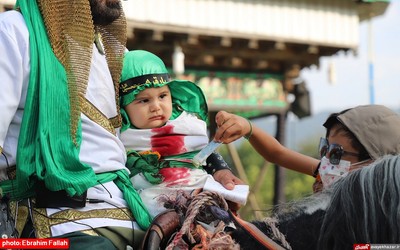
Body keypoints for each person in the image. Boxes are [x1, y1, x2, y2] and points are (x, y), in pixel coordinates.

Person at [0, 2, 241, 248]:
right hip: (57, 222)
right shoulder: (14, 31)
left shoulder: (115, 53)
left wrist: (218, 167)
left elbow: (175, 130)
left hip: (135, 214)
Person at [119, 50, 244, 217]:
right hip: (150, 196)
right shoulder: (117, 135)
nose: (156, 106)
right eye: (144, 100)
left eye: (162, 96)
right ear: (123, 106)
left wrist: (221, 170)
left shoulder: (186, 123)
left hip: (199, 186)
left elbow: (204, 153)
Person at [214, 104, 400, 192]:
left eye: (336, 154)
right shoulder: (329, 172)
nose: (325, 162)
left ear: (376, 164)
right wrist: (248, 128)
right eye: (324, 148)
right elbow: (277, 154)